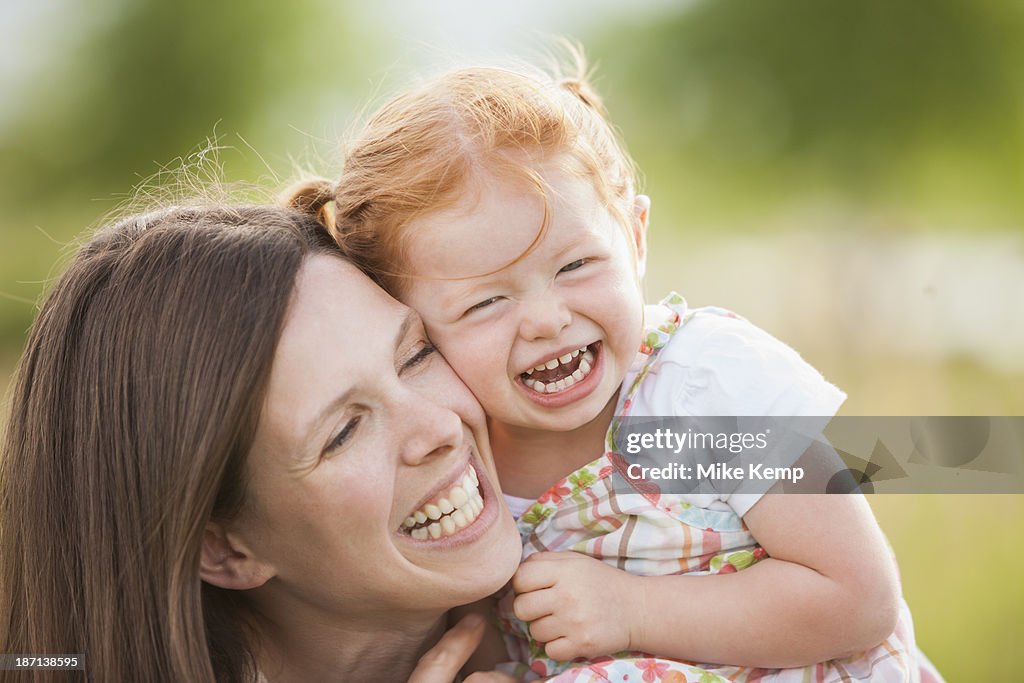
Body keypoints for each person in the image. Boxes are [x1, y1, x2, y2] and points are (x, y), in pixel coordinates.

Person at [288, 49, 938, 682]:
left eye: (576, 265)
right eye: (487, 301)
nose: (546, 319)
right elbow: (492, 631)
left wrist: (633, 609)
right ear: (412, 328)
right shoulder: (454, 454)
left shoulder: (698, 390)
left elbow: (857, 594)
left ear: (635, 236)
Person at [0, 203, 524, 682]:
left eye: (416, 356)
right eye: (342, 433)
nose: (441, 428)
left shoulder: (593, 542)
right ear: (224, 549)